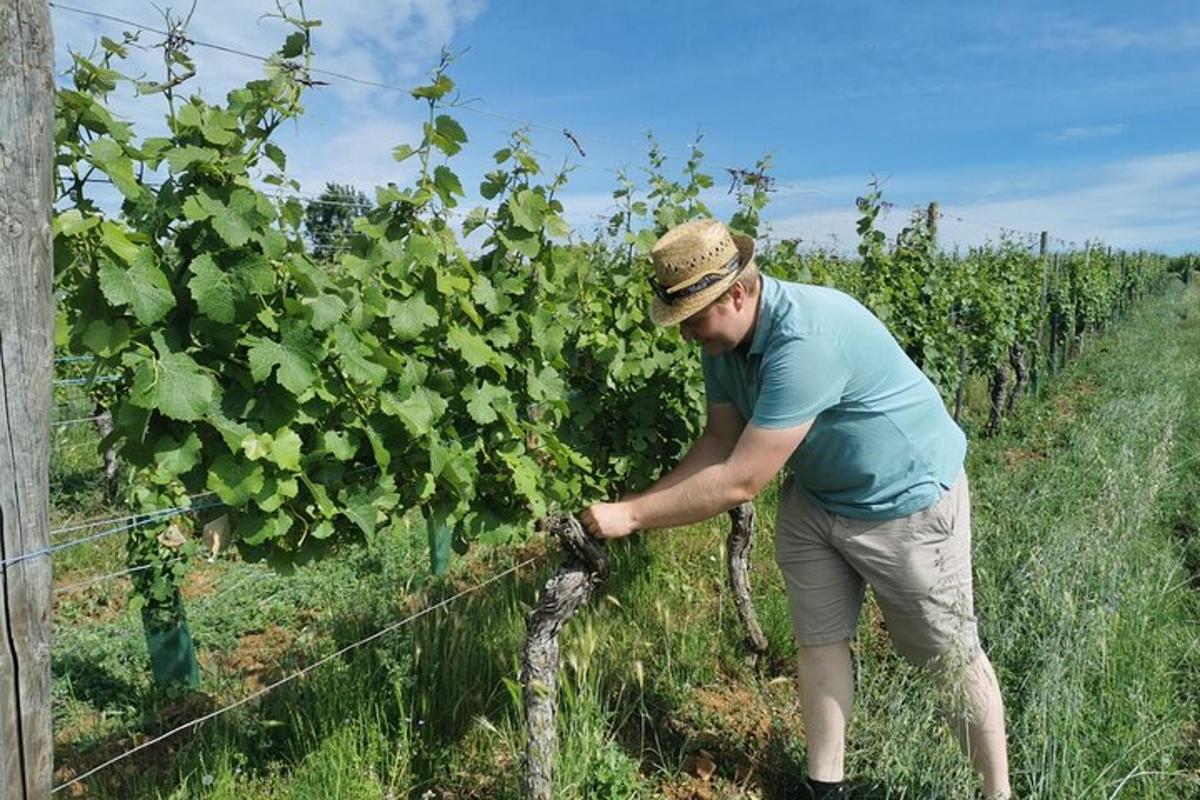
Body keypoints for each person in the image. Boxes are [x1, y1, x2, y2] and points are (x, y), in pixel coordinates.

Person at [580, 219, 1011, 800]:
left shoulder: (805, 340)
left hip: (904, 501)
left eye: (694, 319)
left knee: (947, 658)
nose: (687, 336)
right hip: (818, 495)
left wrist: (630, 519)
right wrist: (634, 503)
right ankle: (824, 788)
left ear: (737, 293)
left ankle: (997, 792)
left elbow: (741, 479)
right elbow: (718, 442)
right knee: (821, 640)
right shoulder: (722, 339)